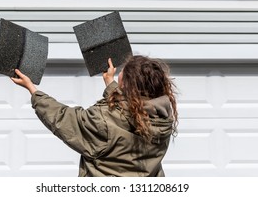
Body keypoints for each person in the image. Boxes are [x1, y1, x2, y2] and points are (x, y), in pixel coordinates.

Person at [11, 55, 178, 177]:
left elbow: (64, 118)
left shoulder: (103, 120)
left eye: (123, 73)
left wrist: (32, 89)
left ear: (127, 85)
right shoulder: (162, 117)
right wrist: (110, 83)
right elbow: (131, 108)